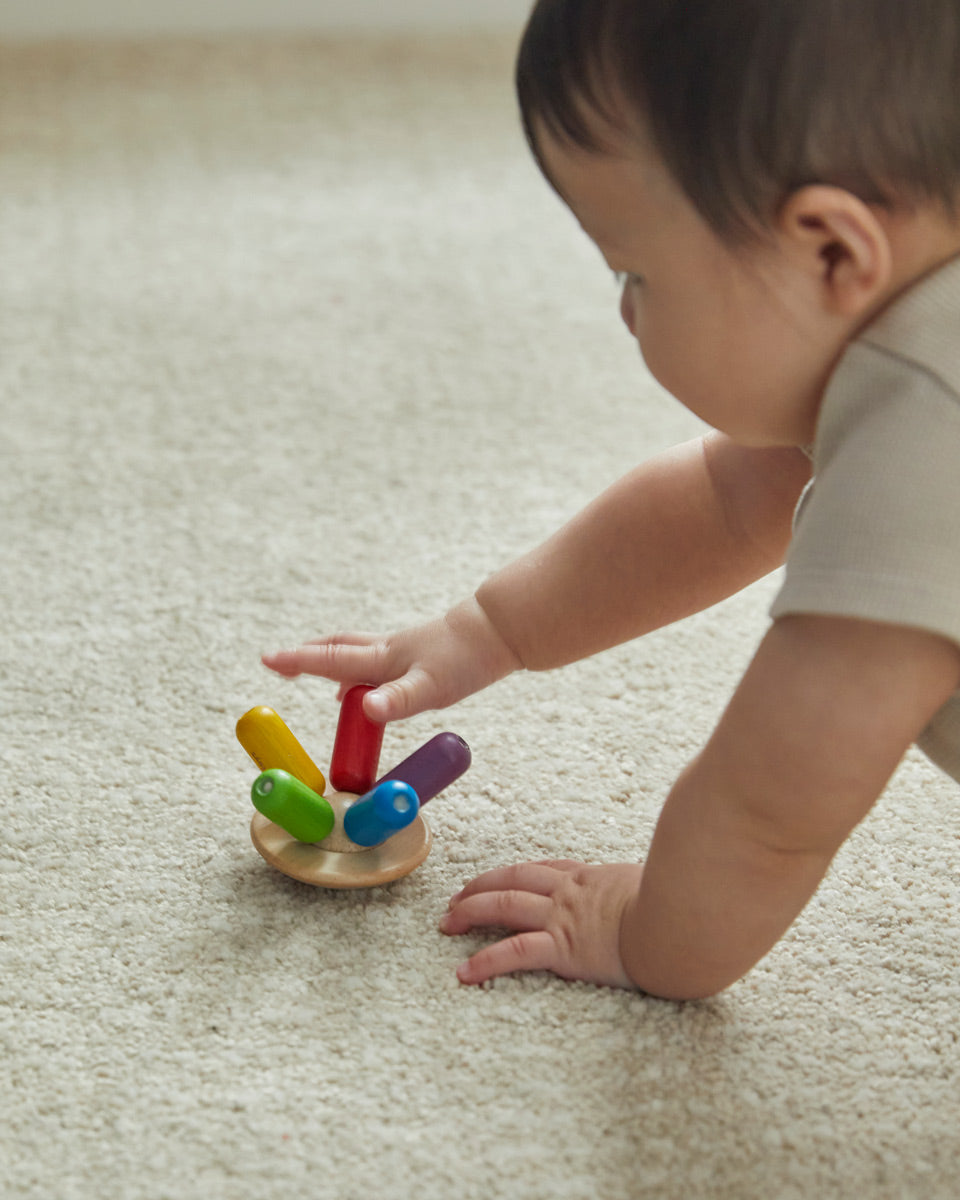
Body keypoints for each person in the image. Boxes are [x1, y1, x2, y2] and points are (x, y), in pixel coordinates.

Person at [264, 0, 960, 999]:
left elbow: (775, 802)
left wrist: (648, 935)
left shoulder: (926, 450)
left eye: (635, 270)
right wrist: (490, 629)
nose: (623, 310)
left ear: (835, 253)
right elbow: (727, 499)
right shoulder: (903, 330)